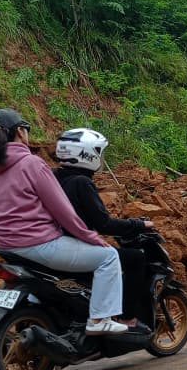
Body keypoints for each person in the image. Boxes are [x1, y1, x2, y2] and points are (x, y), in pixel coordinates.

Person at [0, 108, 133, 335]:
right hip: (37, 244)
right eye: (26, 130)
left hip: (3, 245)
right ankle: (99, 319)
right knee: (108, 257)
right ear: (21, 132)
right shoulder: (32, 164)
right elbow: (63, 211)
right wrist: (91, 237)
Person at [53, 127, 154, 328]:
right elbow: (103, 224)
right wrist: (138, 224)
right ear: (86, 153)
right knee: (135, 258)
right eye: (98, 152)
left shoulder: (53, 177)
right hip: (73, 245)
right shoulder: (82, 182)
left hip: (56, 242)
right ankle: (126, 317)